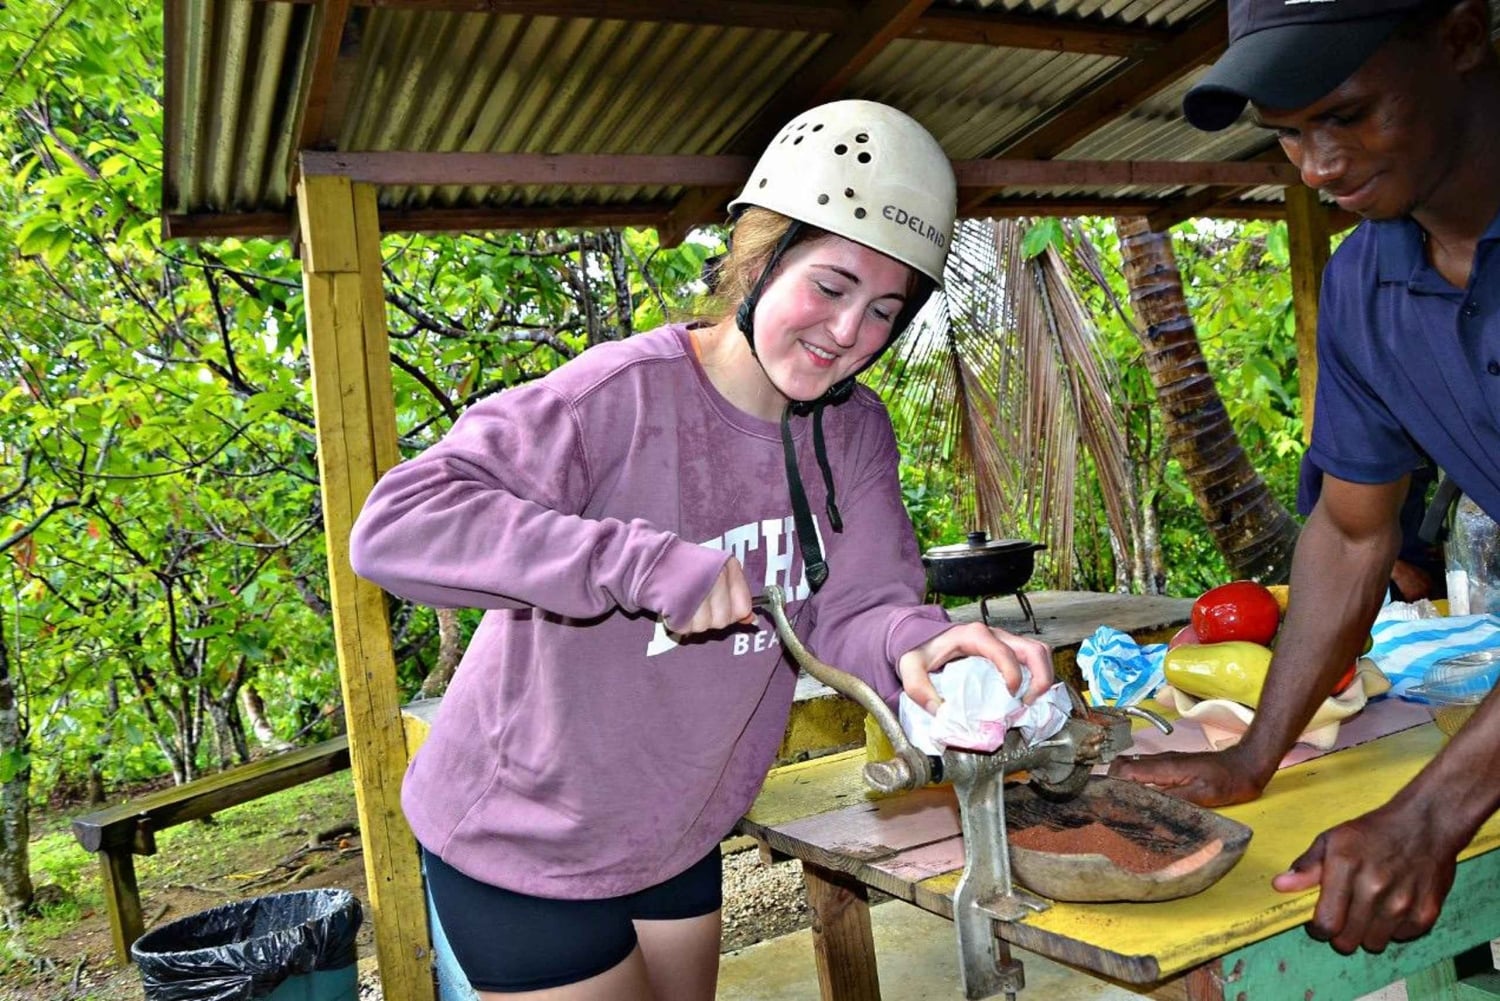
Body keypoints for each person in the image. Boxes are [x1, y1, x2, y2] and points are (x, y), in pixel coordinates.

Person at [349, 99, 1054, 1001]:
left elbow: (859, 602)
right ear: (759, 260)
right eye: (831, 286)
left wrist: (919, 645)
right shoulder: (620, 395)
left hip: (677, 825)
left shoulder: (853, 429)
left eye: (884, 310)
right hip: (526, 833)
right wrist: (642, 563)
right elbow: (397, 524)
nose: (849, 334)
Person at [1111, 0, 1500, 957]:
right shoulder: (1369, 285)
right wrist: (1253, 754)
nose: (1320, 168)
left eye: (1350, 114)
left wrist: (1428, 814)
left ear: (1458, 36)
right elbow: (1355, 530)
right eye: (1287, 135)